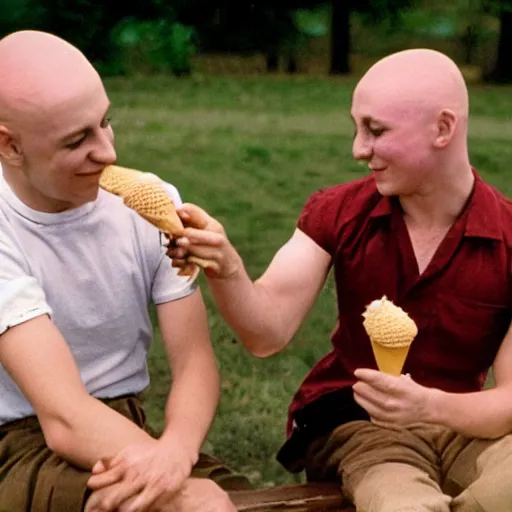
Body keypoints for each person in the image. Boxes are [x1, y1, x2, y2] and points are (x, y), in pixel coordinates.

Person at [168, 48, 512, 512]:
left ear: (443, 129)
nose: (358, 149)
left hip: (460, 423)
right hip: (357, 422)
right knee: (404, 505)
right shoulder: (339, 212)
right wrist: (228, 268)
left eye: (376, 130)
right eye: (357, 128)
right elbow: (267, 333)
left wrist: (429, 407)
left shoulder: (507, 237)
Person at [0, 30, 246, 512]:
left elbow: (195, 363)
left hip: (130, 428)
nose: (108, 151)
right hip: (20, 443)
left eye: (105, 122)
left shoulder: (151, 206)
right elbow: (64, 416)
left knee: (242, 500)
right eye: (77, 141)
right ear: (9, 146)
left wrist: (174, 453)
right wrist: (176, 488)